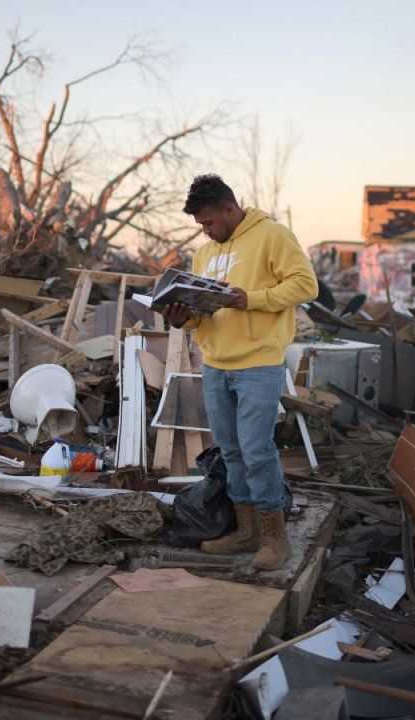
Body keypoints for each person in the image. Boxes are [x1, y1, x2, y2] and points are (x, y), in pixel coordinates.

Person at [157, 174, 318, 570]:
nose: (207, 231)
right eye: (201, 226)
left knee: (257, 450)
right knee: (231, 452)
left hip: (258, 364)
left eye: (210, 223)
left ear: (229, 209)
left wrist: (253, 299)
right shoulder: (203, 255)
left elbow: (305, 285)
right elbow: (204, 317)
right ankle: (246, 532)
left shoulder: (272, 235)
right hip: (215, 365)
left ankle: (274, 537)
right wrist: (182, 320)